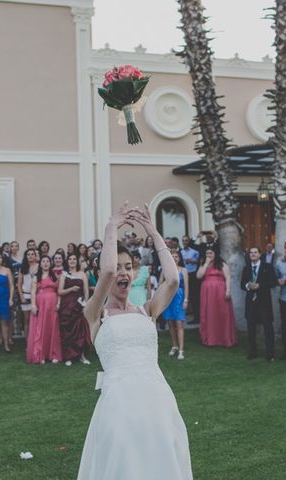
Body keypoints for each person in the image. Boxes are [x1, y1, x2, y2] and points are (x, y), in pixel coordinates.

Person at [77, 203, 192, 480]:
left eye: (128, 267)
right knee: (124, 461)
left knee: (161, 458)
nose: (123, 273)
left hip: (157, 398)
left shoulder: (148, 311)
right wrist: (111, 228)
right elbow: (105, 272)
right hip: (119, 402)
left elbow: (174, 279)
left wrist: (152, 231)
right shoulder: (95, 314)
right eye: (119, 268)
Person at [241, 246, 278, 361]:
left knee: (267, 328)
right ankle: (252, 352)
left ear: (260, 254)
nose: (252, 254)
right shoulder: (246, 268)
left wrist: (259, 286)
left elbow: (273, 282)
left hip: (263, 302)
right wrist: (248, 286)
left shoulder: (267, 267)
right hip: (251, 302)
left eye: (255, 252)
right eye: (251, 252)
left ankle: (270, 353)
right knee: (251, 328)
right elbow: (242, 284)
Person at [196, 247, 236, 347]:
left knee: (222, 313)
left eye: (211, 253)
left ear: (215, 254)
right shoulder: (203, 264)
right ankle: (211, 338)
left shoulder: (222, 263)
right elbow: (199, 276)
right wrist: (206, 263)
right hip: (207, 292)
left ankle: (224, 338)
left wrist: (228, 290)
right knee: (209, 313)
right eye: (207, 253)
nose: (209, 255)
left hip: (220, 290)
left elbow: (228, 277)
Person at [58, 252, 91, 366]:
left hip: (79, 305)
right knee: (67, 332)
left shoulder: (82, 274)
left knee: (81, 332)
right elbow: (60, 291)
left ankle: (82, 356)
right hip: (67, 306)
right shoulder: (63, 274)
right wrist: (71, 289)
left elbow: (86, 290)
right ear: (67, 261)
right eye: (70, 259)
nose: (72, 261)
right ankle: (68, 357)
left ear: (77, 261)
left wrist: (85, 304)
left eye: (74, 259)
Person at [27, 255, 61, 364]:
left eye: (47, 261)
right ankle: (40, 354)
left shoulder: (55, 276)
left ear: (50, 264)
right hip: (40, 304)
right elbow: (32, 291)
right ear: (40, 264)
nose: (45, 263)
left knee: (52, 327)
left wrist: (59, 303)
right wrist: (33, 305)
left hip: (52, 304)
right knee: (40, 328)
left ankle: (53, 354)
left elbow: (58, 291)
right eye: (43, 261)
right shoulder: (36, 276)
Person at [162, 250, 189, 360]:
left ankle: (181, 350)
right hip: (168, 297)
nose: (174, 258)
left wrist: (186, 300)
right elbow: (160, 284)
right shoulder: (165, 270)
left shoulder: (183, 270)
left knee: (179, 323)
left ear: (179, 258)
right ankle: (174, 346)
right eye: (172, 256)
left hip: (179, 297)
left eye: (176, 256)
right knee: (170, 323)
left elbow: (187, 286)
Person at [17, 248, 38, 342]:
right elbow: (19, 284)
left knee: (36, 319)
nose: (30, 256)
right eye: (28, 254)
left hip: (36, 296)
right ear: (26, 256)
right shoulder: (23, 268)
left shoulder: (39, 267)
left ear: (35, 256)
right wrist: (21, 296)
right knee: (27, 320)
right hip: (25, 296)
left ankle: (36, 340)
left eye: (32, 254)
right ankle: (28, 341)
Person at [181, 235, 200, 323]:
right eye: (183, 241)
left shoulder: (195, 252)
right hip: (184, 275)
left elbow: (199, 261)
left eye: (186, 240)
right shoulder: (180, 252)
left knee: (194, 297)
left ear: (189, 241)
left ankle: (197, 317)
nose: (185, 242)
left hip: (193, 275)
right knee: (184, 296)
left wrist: (193, 261)